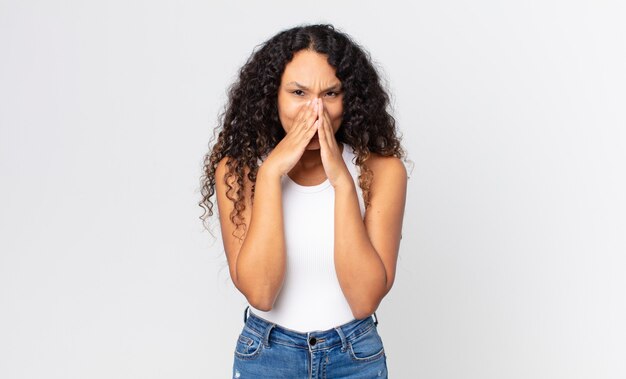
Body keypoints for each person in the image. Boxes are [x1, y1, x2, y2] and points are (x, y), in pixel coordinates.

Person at [199, 23, 411, 378]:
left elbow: (364, 299)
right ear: (273, 96)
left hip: (354, 356)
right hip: (268, 356)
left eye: (330, 94)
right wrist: (269, 175)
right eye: (298, 92)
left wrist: (342, 183)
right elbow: (261, 293)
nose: (315, 112)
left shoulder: (382, 170)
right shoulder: (238, 172)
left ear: (350, 99)